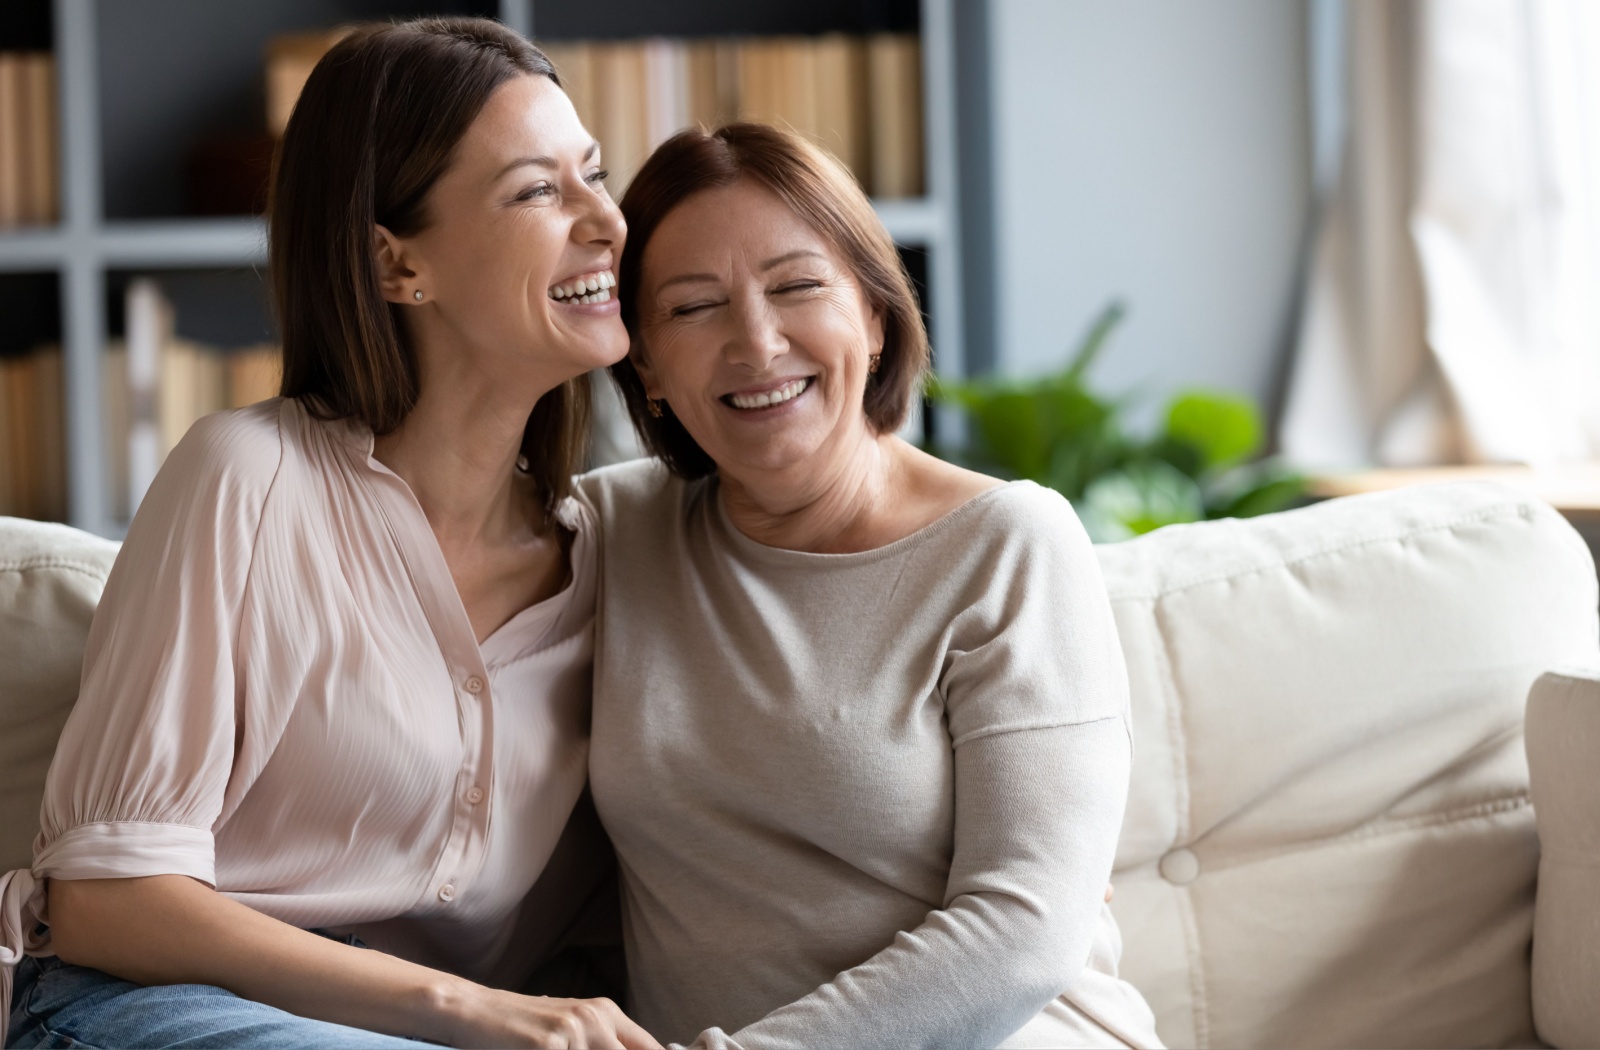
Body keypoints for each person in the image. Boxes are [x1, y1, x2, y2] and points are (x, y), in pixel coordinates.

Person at [0, 19, 656, 1050]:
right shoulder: (246, 479)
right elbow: (104, 898)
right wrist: (460, 1009)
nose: (608, 224)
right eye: (538, 191)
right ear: (397, 266)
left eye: (595, 176)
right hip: (153, 1008)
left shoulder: (618, 557)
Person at [578, 122, 1165, 1049]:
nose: (757, 342)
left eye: (799, 285)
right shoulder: (611, 536)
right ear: (643, 364)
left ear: (877, 314)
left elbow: (1025, 929)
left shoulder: (1009, 544)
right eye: (694, 308)